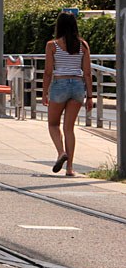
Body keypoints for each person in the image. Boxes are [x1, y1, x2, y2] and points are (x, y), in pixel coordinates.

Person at [42, 11, 93, 176]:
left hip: (60, 84)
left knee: (53, 124)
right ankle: (70, 168)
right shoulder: (83, 45)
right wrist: (90, 96)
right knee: (69, 128)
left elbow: (48, 72)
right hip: (78, 86)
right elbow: (87, 73)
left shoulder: (52, 45)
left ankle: (61, 152)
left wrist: (44, 93)